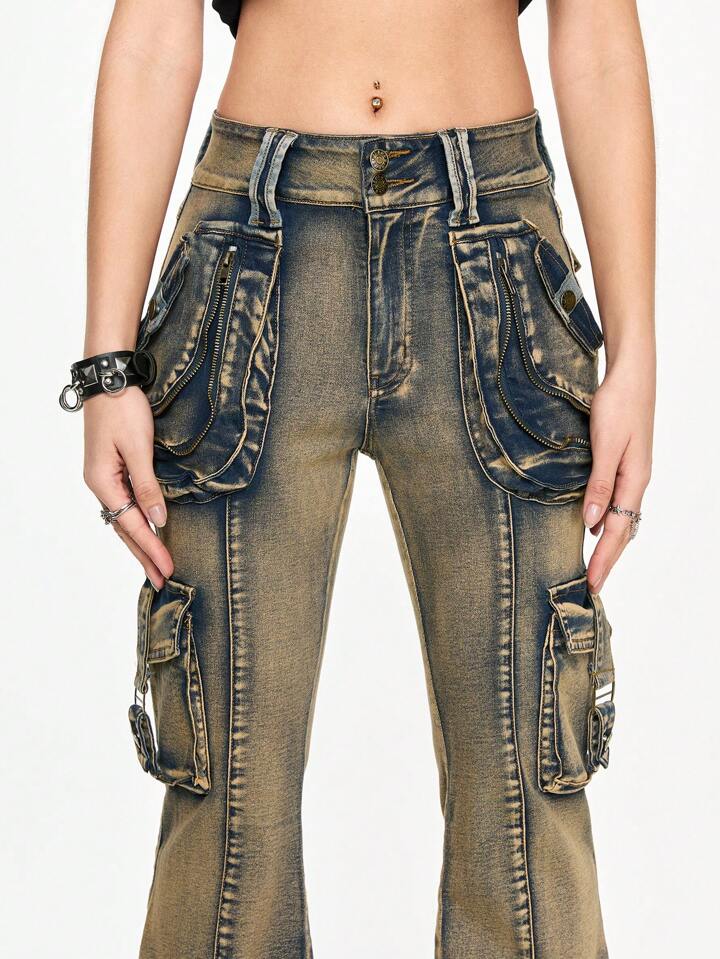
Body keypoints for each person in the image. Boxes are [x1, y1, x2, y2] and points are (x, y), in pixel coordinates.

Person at [61, 1, 655, 956]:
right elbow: (154, 36)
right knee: (225, 807)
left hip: (494, 249)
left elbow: (597, 38)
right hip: (251, 255)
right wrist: (106, 365)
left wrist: (637, 349)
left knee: (527, 798)